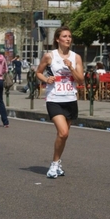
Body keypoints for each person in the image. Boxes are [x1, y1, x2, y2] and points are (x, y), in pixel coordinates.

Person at [36, 26, 84, 179]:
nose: (68, 39)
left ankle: (57, 162)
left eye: (70, 36)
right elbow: (38, 72)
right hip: (54, 98)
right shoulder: (50, 56)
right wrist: (46, 79)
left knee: (63, 135)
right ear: (58, 39)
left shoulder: (76, 57)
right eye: (64, 36)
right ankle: (54, 165)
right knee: (63, 132)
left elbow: (81, 80)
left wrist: (71, 68)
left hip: (70, 98)